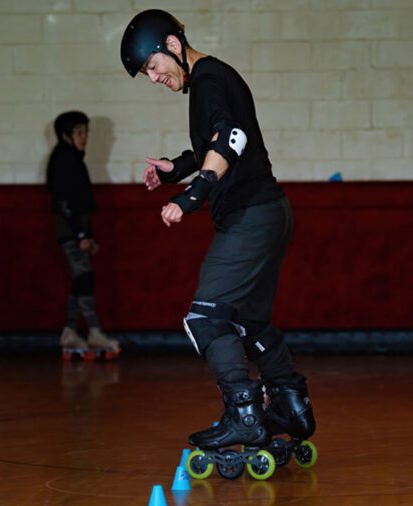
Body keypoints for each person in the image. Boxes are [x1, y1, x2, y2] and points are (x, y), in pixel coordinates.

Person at [121, 9, 314, 480]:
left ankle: (245, 417)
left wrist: (190, 196)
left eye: (151, 66)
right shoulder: (212, 78)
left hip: (250, 216)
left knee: (204, 317)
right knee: (250, 321)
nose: (154, 78)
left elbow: (231, 138)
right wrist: (176, 166)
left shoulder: (206, 80)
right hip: (271, 211)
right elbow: (218, 140)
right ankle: (289, 408)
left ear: (171, 44)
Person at [45, 110, 119, 360]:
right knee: (84, 278)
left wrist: (88, 234)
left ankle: (70, 331)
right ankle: (93, 331)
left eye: (85, 131)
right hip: (70, 231)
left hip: (74, 230)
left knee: (82, 279)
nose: (83, 137)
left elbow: (77, 203)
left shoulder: (71, 158)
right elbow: (64, 202)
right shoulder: (65, 160)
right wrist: (80, 234)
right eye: (78, 132)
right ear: (66, 135)